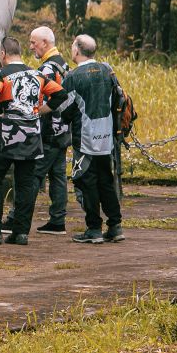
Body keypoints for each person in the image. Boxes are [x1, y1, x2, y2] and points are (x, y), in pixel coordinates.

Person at [0, 36, 60, 245]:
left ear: (2, 54)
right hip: (32, 137)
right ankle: (20, 233)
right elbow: (60, 95)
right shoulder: (37, 74)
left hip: (7, 135)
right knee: (26, 183)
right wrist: (38, 112)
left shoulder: (0, 73)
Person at [62, 34, 127, 244]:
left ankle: (93, 228)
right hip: (107, 136)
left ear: (77, 50)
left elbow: (65, 110)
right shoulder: (107, 70)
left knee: (86, 181)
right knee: (106, 180)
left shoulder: (73, 77)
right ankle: (115, 226)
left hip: (85, 137)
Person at [28, 25, 73, 234]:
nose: (31, 47)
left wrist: (36, 113)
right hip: (64, 129)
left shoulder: (46, 69)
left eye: (33, 43)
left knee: (33, 175)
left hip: (49, 131)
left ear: (45, 43)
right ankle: (57, 220)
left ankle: (16, 219)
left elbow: (43, 98)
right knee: (58, 176)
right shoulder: (63, 64)